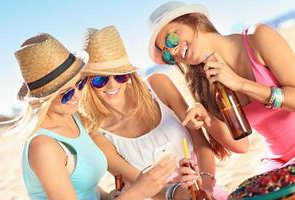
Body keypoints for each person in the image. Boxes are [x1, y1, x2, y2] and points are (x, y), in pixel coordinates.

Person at [0, 33, 176, 200]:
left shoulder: (75, 119)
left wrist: (111, 196)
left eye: (80, 84)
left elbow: (87, 190)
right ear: (43, 99)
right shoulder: (44, 147)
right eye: (65, 94)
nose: (76, 96)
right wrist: (138, 191)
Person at [79, 25, 228, 199]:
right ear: (87, 82)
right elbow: (142, 185)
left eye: (120, 75)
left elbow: (201, 144)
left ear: (130, 74)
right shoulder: (96, 133)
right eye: (99, 79)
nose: (112, 85)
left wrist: (206, 188)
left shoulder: (159, 85)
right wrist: (181, 194)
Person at [148, 1, 295, 173]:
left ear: (192, 19)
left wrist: (241, 84)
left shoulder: (258, 37)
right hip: (280, 160)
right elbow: (241, 145)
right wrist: (207, 117)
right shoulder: (209, 85)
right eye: (167, 55)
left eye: (171, 39)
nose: (172, 52)